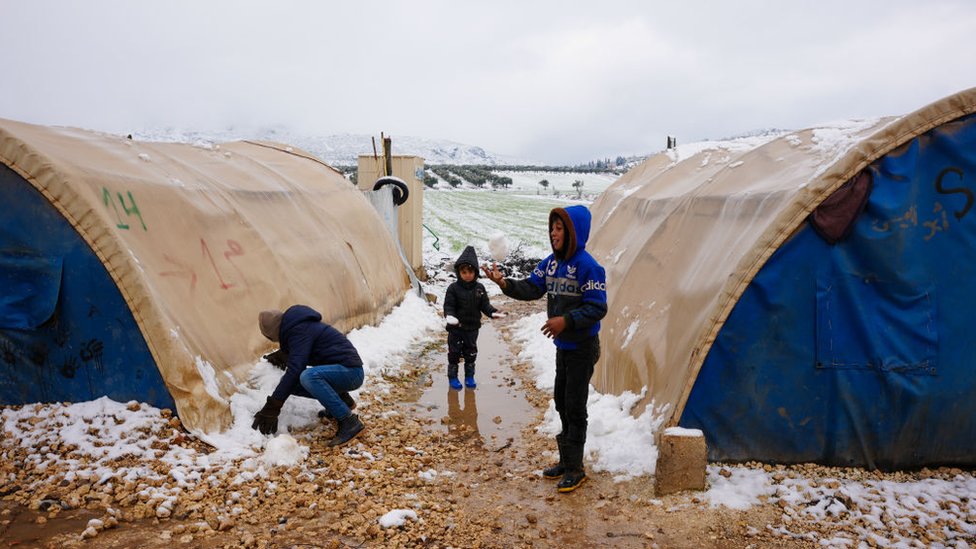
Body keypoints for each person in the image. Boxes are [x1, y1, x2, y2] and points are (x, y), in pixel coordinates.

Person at [482, 205, 607, 493]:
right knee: (562, 401)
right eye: (552, 227)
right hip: (564, 347)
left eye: (560, 228)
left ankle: (576, 468)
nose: (554, 233)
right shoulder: (551, 263)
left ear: (574, 232)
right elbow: (531, 288)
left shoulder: (589, 266)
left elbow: (598, 307)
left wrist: (567, 320)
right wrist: (504, 283)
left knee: (575, 405)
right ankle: (566, 461)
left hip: (583, 347)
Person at [252, 305, 365, 447]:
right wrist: (284, 353)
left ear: (274, 333)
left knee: (307, 376)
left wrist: (272, 407)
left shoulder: (299, 332)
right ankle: (343, 403)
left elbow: (295, 369)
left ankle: (349, 422)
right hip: (344, 372)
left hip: (352, 373)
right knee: (294, 384)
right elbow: (301, 352)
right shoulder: (299, 327)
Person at [443, 245, 502, 390]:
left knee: (471, 353)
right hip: (456, 329)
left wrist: (492, 312)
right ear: (459, 272)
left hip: (472, 328)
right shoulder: (453, 289)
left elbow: (485, 305)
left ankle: (469, 376)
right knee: (454, 354)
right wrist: (450, 316)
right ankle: (453, 377)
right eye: (464, 272)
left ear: (475, 272)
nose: (467, 275)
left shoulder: (479, 288)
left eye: (470, 272)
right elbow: (448, 305)